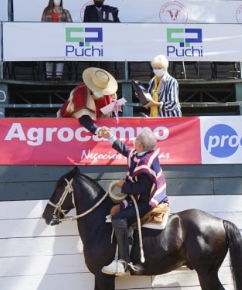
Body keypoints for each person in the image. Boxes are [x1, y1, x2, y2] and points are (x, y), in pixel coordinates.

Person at [96, 128, 168, 276]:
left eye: (135, 141)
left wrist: (124, 186)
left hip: (146, 202)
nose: (133, 143)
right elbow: (126, 151)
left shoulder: (145, 165)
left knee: (118, 217)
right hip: (138, 197)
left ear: (140, 145)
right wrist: (111, 137)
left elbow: (143, 188)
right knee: (114, 210)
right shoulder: (140, 154)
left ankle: (123, 262)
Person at [58, 67, 118, 136]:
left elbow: (112, 105)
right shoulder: (79, 93)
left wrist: (115, 108)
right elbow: (83, 119)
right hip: (70, 124)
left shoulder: (109, 91)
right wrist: (99, 132)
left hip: (99, 120)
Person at [41, 0, 73, 80]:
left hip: (61, 38)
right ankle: (49, 77)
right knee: (49, 57)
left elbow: (71, 25)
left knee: (60, 57)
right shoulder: (46, 11)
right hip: (49, 37)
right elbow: (42, 24)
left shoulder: (66, 12)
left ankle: (59, 77)